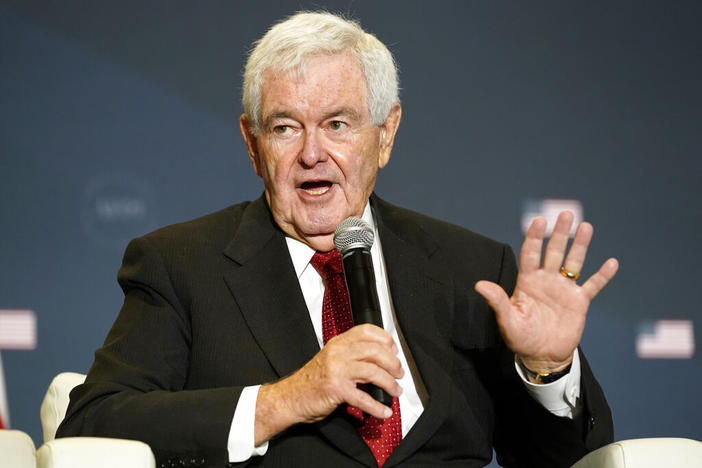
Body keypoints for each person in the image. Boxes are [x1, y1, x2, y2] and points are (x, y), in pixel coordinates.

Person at [57, 11, 619, 468]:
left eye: (338, 124)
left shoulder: (469, 268)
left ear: (385, 135)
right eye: (284, 127)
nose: (311, 153)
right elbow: (93, 425)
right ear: (252, 145)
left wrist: (549, 369)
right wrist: (286, 399)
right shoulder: (181, 266)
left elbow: (569, 461)